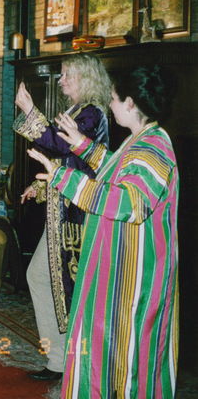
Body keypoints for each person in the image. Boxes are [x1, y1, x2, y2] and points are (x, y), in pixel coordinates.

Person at [28, 65, 179, 398]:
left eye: (113, 98)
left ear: (130, 102)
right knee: (108, 352)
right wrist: (83, 145)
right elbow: (116, 168)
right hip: (120, 268)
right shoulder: (142, 139)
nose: (110, 104)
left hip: (134, 279)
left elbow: (131, 202)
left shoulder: (153, 147)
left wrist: (62, 177)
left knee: (125, 359)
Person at [13, 53, 111, 381]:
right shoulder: (79, 110)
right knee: (50, 280)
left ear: (86, 77)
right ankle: (61, 359)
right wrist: (38, 186)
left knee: (63, 283)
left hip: (79, 214)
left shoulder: (93, 112)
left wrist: (30, 110)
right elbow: (66, 160)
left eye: (68, 75)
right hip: (64, 209)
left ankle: (69, 360)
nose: (61, 80)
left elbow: (60, 145)